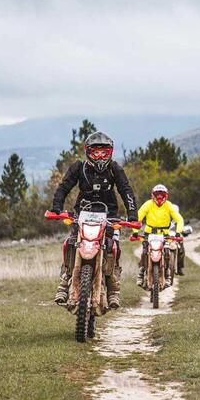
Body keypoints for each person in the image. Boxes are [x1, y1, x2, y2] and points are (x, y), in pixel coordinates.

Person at [49, 131, 137, 309]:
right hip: (83, 212)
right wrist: (56, 208)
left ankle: (113, 287)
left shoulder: (115, 169)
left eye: (104, 153)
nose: (99, 156)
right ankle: (65, 280)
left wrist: (132, 215)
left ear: (110, 153)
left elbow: (126, 190)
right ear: (88, 151)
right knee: (71, 243)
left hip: (109, 214)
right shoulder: (78, 167)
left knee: (113, 247)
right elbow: (64, 187)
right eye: (95, 152)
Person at [136, 184, 184, 286]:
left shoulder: (169, 205)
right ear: (152, 195)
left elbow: (179, 219)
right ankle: (141, 272)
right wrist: (135, 231)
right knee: (144, 251)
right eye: (157, 194)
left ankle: (167, 274)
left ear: (166, 196)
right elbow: (138, 217)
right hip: (149, 233)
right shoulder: (148, 204)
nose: (159, 197)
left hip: (164, 234)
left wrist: (178, 232)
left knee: (167, 253)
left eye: (162, 195)